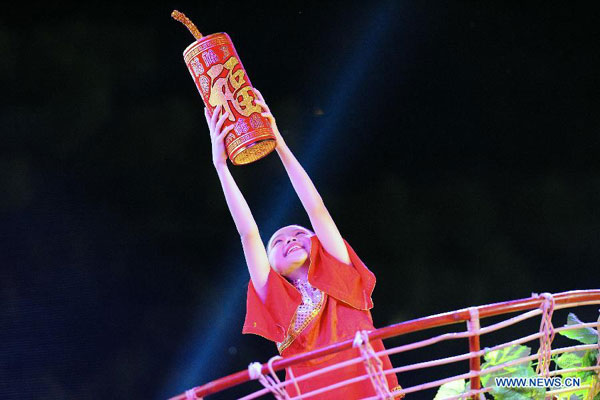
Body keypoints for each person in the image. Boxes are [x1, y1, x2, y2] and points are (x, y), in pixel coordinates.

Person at [204, 90, 401, 399]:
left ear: (317, 244)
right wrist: (220, 166)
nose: (289, 240)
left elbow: (316, 208)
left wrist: (278, 142)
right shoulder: (275, 297)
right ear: (272, 265)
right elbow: (248, 233)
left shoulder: (342, 272)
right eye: (277, 242)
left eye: (298, 234)